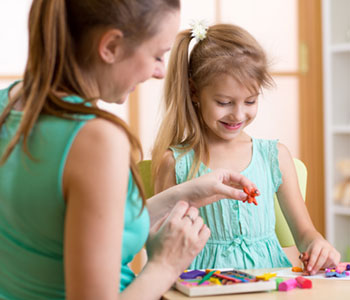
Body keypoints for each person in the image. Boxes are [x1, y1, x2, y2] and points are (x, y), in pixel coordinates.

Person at [0, 2, 258, 300]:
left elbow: (67, 234)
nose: (161, 72)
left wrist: (181, 194)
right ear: (110, 46)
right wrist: (166, 264)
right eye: (157, 55)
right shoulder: (95, 139)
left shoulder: (9, 104)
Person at [152, 22, 340, 274]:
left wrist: (318, 244)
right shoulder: (176, 162)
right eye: (224, 102)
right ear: (195, 92)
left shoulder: (275, 157)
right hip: (200, 288)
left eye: (250, 100)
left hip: (270, 285)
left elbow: (305, 233)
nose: (238, 114)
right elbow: (156, 250)